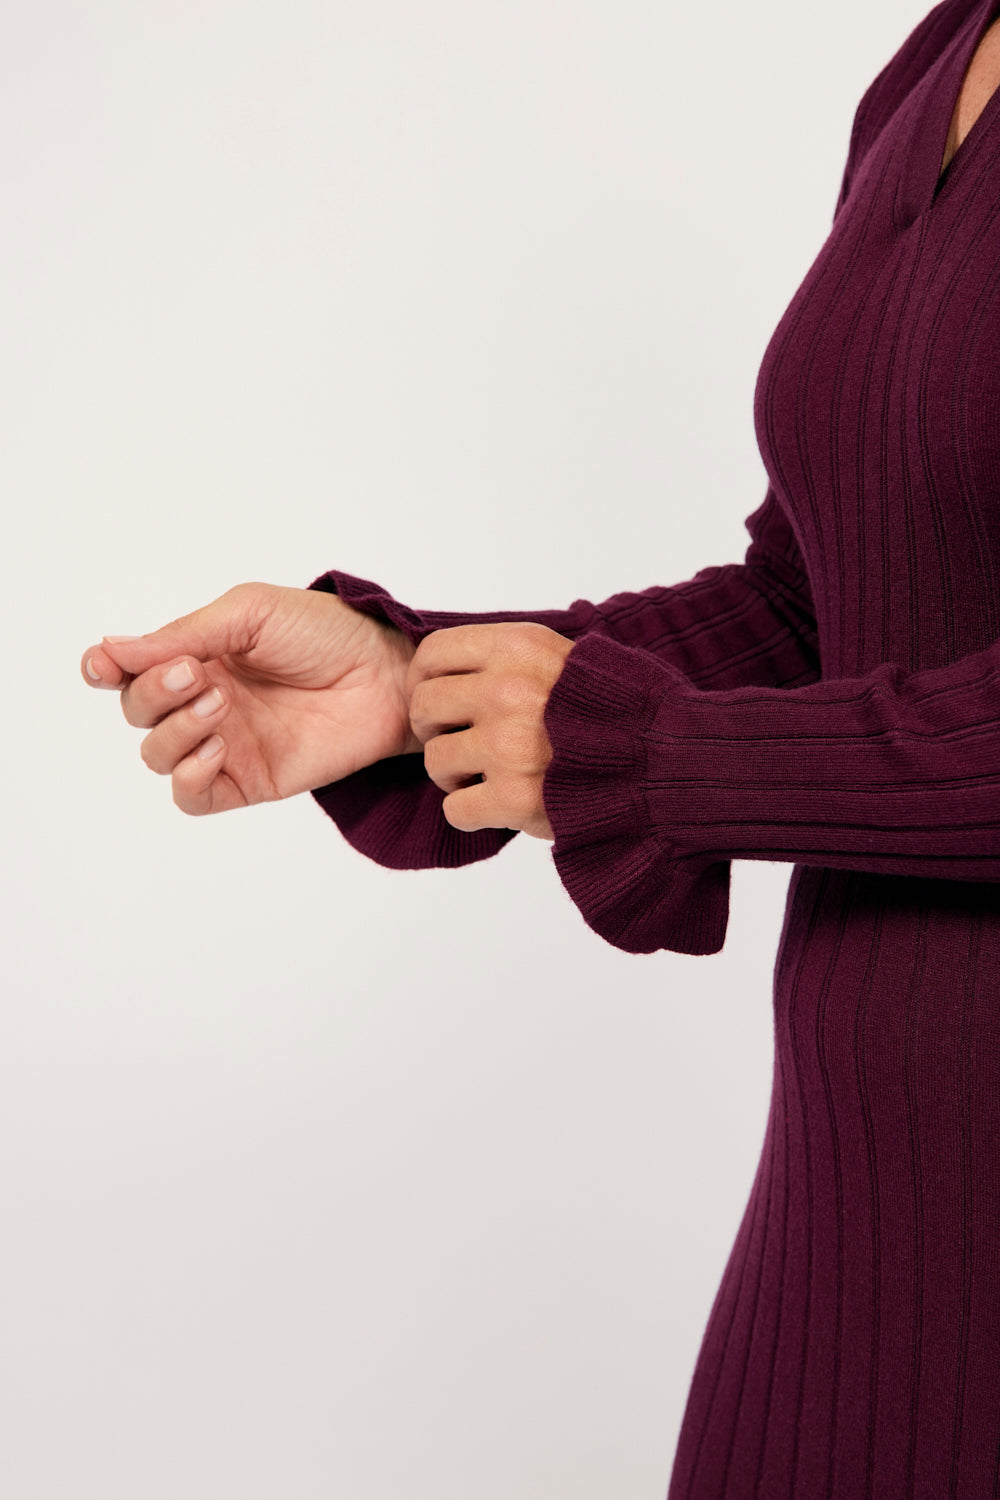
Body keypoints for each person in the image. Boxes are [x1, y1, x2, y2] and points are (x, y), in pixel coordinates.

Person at [81, 0, 1000, 1492]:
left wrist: (648, 759)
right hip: (859, 1214)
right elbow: (821, 600)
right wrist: (414, 683)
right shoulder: (940, 55)